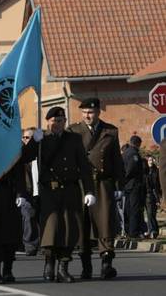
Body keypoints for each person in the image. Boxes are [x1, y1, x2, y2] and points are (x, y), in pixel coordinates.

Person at [25, 107, 95, 283]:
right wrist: (34, 141)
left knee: (69, 228)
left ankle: (63, 267)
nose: (57, 124)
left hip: (70, 189)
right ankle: (49, 264)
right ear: (48, 122)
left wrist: (89, 190)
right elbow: (25, 157)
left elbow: (84, 167)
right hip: (49, 190)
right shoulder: (42, 139)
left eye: (61, 121)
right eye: (54, 121)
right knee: (51, 228)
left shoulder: (74, 139)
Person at [67, 98, 124, 280]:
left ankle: (107, 263)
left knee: (105, 223)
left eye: (90, 112)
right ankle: (86, 266)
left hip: (102, 183)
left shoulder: (110, 131)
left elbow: (117, 161)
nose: (87, 116)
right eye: (84, 113)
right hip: (82, 185)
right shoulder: (73, 131)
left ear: (98, 112)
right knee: (83, 224)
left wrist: (118, 186)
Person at [21, 127, 40, 256]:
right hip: (27, 191)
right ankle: (30, 244)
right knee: (28, 216)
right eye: (25, 137)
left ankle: (43, 244)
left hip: (41, 190)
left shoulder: (41, 152)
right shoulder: (21, 153)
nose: (27, 140)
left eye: (30, 138)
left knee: (42, 218)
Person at [122, 135, 145, 239]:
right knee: (134, 209)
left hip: (127, 185)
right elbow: (131, 169)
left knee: (127, 208)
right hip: (134, 184)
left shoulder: (125, 153)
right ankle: (133, 232)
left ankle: (128, 230)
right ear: (138, 143)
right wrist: (126, 178)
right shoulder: (133, 154)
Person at [144, 156, 160, 239]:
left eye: (151, 160)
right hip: (146, 194)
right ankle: (152, 230)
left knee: (151, 214)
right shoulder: (145, 171)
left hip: (153, 194)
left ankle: (154, 230)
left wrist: (158, 198)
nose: (150, 161)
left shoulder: (156, 171)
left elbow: (157, 185)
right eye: (149, 160)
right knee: (149, 214)